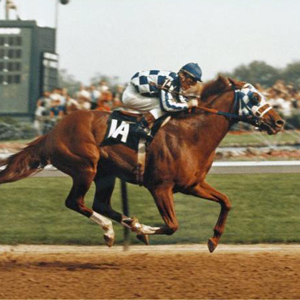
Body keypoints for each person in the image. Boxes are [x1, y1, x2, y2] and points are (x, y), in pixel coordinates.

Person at [122, 62, 202, 139]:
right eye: (190, 81)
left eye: (194, 83)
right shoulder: (169, 80)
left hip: (141, 93)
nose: (190, 86)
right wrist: (188, 105)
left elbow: (180, 100)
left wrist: (189, 104)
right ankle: (139, 126)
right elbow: (167, 106)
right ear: (182, 75)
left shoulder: (177, 82)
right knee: (164, 105)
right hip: (132, 94)